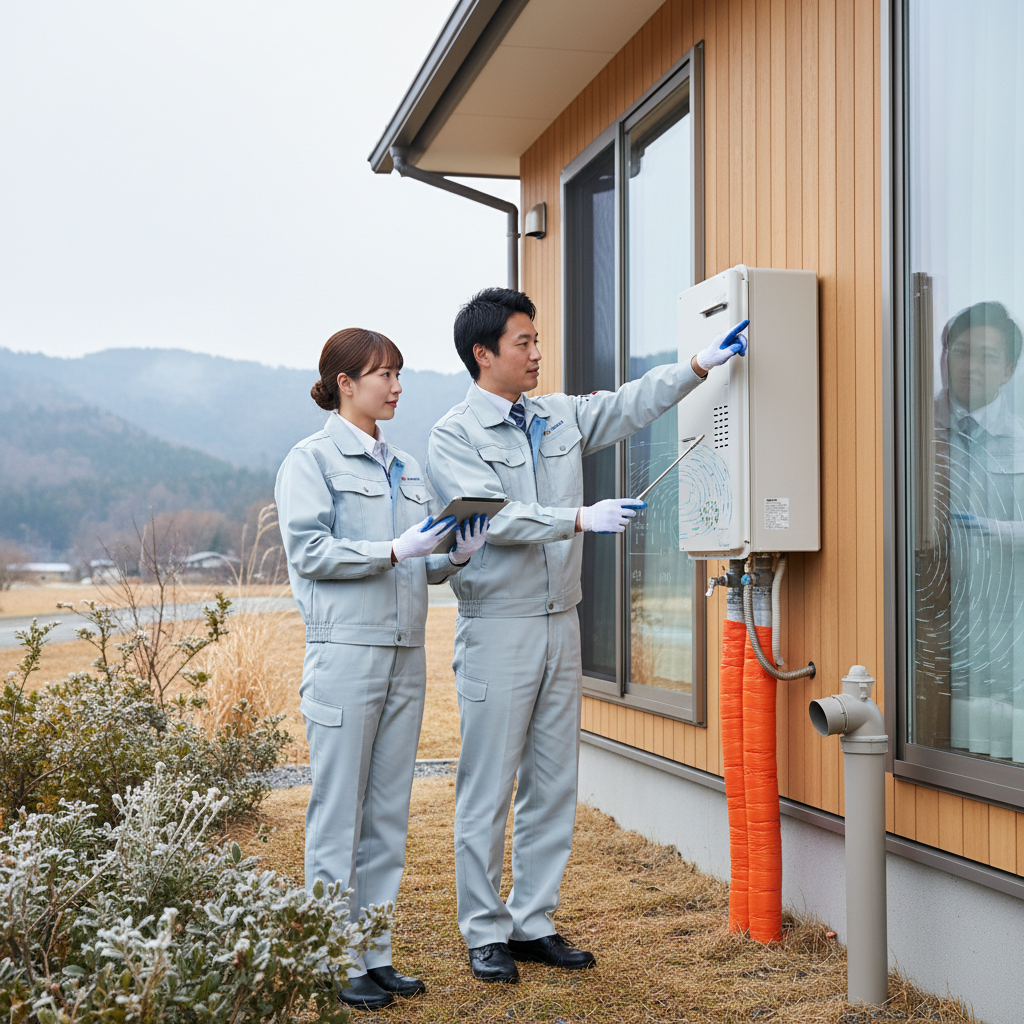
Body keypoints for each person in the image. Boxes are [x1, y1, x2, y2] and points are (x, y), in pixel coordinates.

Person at [425, 287, 748, 982]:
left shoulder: (558, 416)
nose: (537, 353)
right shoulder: (454, 436)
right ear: (484, 354)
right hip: (498, 627)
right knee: (488, 785)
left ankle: (532, 922)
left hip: (560, 621)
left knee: (552, 780)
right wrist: (578, 517)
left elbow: (631, 403)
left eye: (536, 340)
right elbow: (495, 517)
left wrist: (698, 364)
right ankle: (483, 931)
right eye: (523, 343)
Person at [275, 328, 489, 1011]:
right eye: (383, 375)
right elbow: (310, 551)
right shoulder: (311, 461)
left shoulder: (406, 466)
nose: (396, 387)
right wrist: (393, 549)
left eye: (399, 374)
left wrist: (454, 554)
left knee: (388, 814)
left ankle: (373, 953)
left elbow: (419, 564)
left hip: (405, 654)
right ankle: (331, 957)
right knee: (338, 813)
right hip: (344, 654)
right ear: (345, 383)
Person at [929, 301, 1024, 761]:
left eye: (987, 357)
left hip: (1006, 625)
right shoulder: (908, 428)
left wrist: (997, 532)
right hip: (927, 625)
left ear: (1008, 370)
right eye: (962, 351)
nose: (971, 366)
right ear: (943, 355)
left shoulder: (1022, 438)